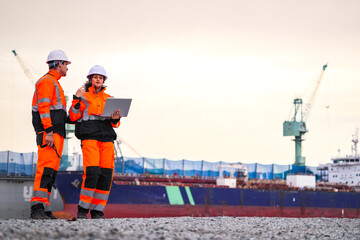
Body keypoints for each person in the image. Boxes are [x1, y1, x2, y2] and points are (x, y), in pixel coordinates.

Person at [69, 65, 121, 219]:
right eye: (95, 77)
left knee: (106, 175)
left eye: (100, 77)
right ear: (90, 79)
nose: (98, 79)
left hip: (106, 138)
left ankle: (98, 211)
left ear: (103, 80)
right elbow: (72, 117)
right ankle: (83, 210)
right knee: (92, 173)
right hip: (89, 137)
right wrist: (76, 99)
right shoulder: (83, 96)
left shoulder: (109, 98)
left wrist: (115, 118)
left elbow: (115, 124)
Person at [30, 50, 71, 219]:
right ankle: (36, 208)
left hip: (56, 134)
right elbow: (43, 109)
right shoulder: (47, 82)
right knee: (45, 169)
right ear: (58, 63)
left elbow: (60, 113)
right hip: (49, 133)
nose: (67, 68)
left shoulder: (55, 83)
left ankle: (44, 207)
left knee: (51, 171)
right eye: (66, 65)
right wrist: (48, 132)